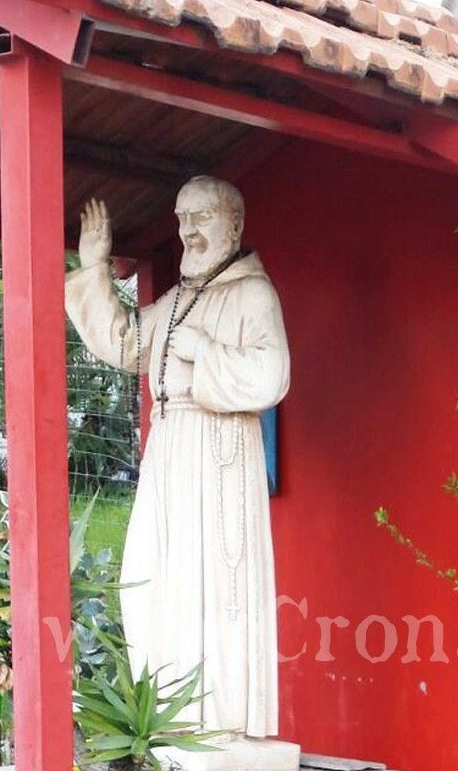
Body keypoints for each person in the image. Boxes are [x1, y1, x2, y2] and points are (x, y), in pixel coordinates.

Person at [65, 179, 290, 739]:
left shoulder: (253, 294)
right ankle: (167, 715)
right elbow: (125, 343)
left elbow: (272, 375)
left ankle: (216, 719)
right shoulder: (178, 299)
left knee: (212, 581)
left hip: (218, 457)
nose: (188, 231)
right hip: (167, 452)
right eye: (181, 218)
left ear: (234, 226)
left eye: (202, 218)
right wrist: (95, 270)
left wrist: (205, 353)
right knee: (153, 572)